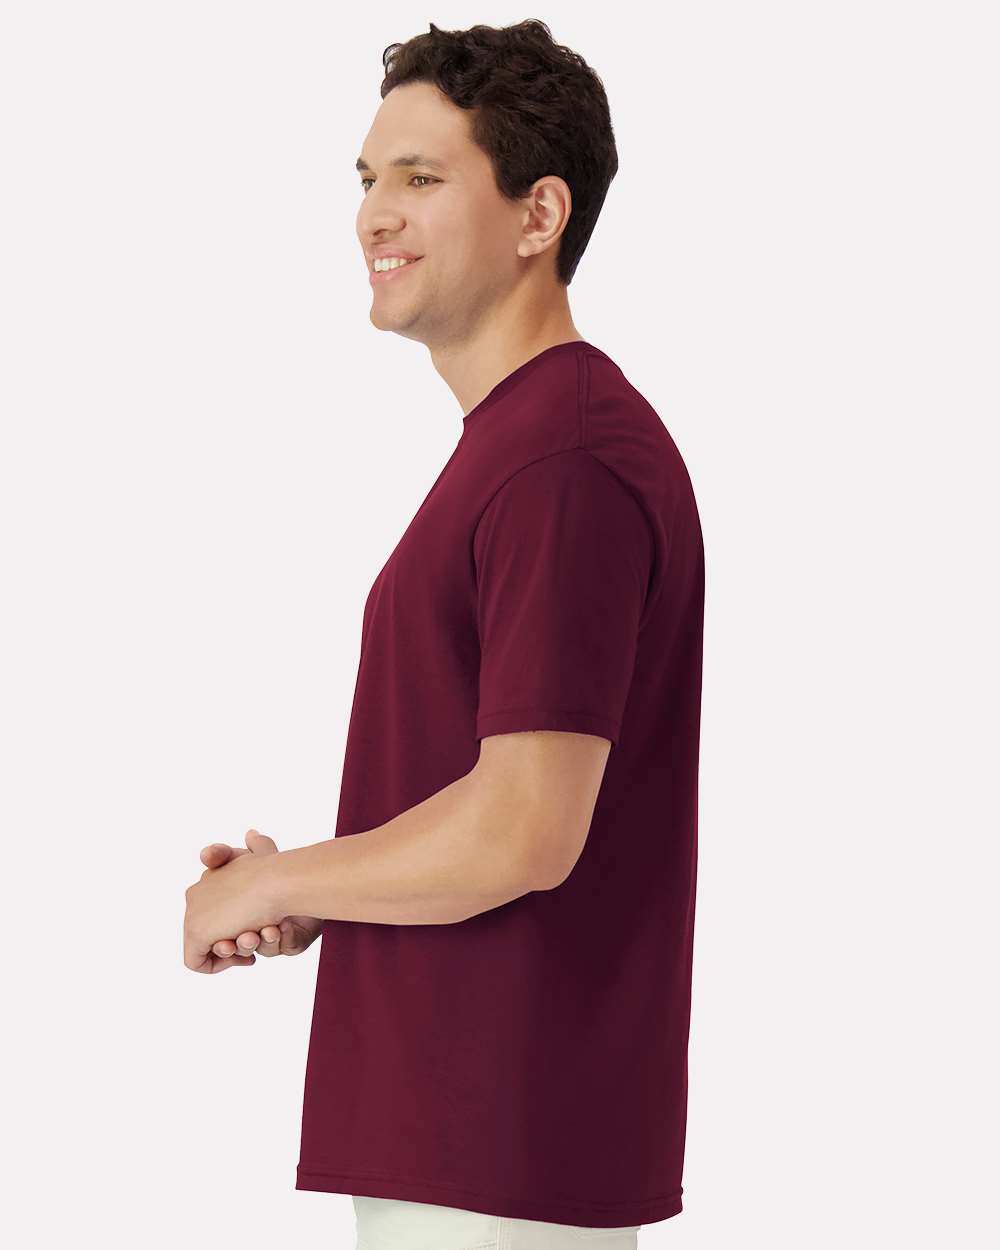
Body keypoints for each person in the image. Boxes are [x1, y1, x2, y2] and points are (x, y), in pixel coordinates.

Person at [184, 18, 705, 1250]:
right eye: (368, 178)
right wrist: (329, 886)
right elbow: (492, 804)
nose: (376, 213)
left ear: (539, 215)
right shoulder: (524, 444)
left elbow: (524, 827)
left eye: (421, 178)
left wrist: (277, 880)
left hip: (497, 1151)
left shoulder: (562, 458)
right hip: (467, 1140)